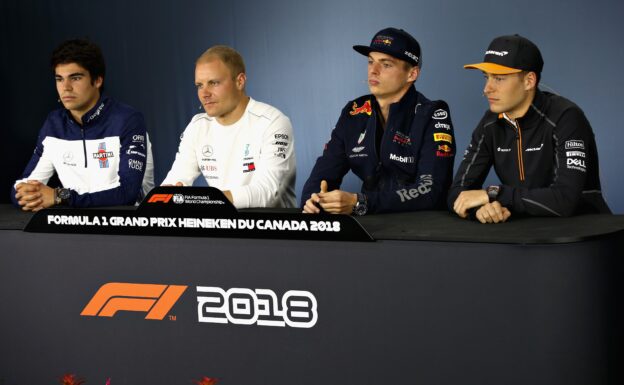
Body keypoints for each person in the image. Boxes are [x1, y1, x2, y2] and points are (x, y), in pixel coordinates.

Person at [449, 34, 610, 223]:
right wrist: (482, 208)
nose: (487, 88)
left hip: (583, 236)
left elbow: (565, 201)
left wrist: (495, 194)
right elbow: (458, 192)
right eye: (486, 77)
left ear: (529, 81)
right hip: (525, 236)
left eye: (499, 79)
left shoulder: (566, 117)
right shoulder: (490, 124)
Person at [301, 28, 455, 215]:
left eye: (386, 64)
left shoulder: (432, 114)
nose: (373, 71)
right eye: (370, 62)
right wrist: (313, 200)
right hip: (369, 226)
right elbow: (324, 172)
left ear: (412, 74)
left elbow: (432, 191)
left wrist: (361, 202)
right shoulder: (354, 111)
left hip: (420, 229)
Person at [12, 39, 154, 210]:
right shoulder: (54, 124)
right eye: (59, 79)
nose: (66, 87)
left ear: (97, 80)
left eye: (75, 78)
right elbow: (21, 187)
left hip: (127, 229)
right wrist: (26, 194)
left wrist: (59, 196)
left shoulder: (128, 120)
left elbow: (127, 194)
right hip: (74, 230)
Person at [161, 45, 296, 208]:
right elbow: (173, 184)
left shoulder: (273, 122)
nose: (204, 93)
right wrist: (169, 195)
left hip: (271, 230)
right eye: (199, 85)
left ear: (240, 81)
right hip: (221, 227)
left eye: (214, 83)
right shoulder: (197, 126)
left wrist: (200, 200)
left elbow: (266, 193)